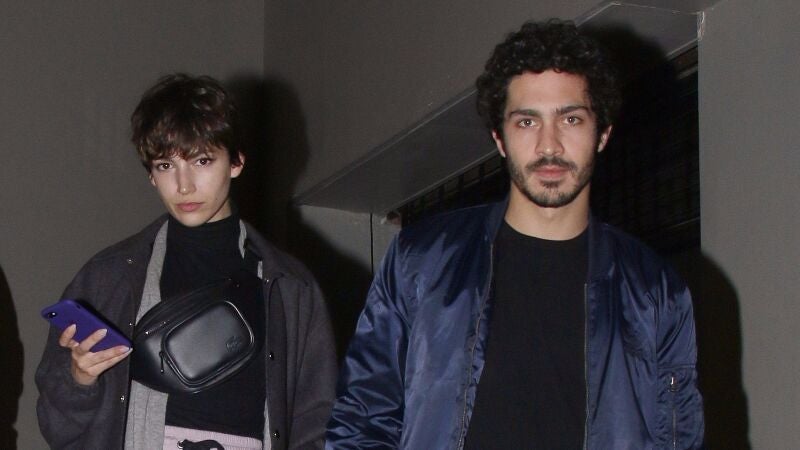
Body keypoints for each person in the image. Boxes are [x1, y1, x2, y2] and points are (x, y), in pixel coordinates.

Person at [326, 19, 704, 449]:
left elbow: (679, 439)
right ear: (499, 138)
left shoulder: (654, 290)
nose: (549, 146)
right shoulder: (423, 260)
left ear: (602, 134)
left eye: (571, 119)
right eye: (527, 122)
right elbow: (363, 419)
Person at [36, 74, 337, 450]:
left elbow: (317, 419)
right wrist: (80, 379)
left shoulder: (290, 286)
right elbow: (57, 427)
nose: (184, 185)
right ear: (151, 174)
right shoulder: (109, 277)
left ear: (236, 161)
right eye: (165, 165)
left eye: (202, 160)